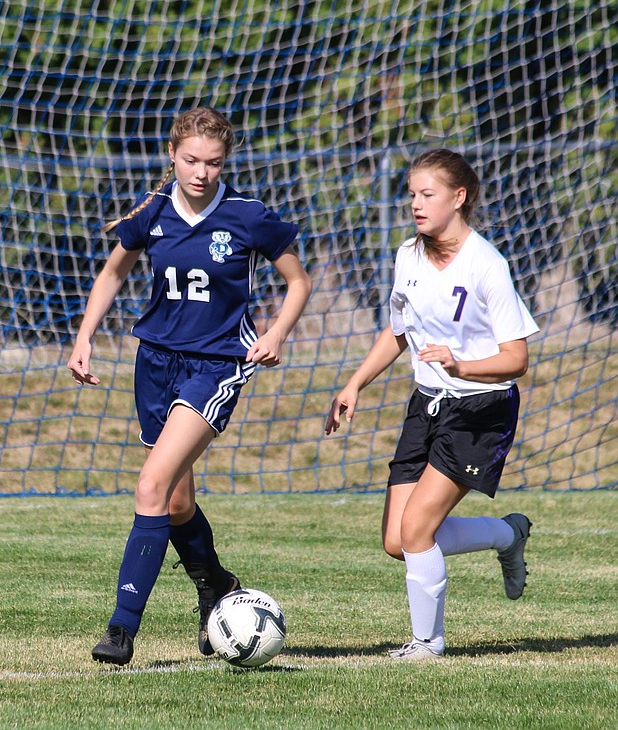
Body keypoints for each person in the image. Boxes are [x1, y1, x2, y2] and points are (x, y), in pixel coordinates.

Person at [68, 107, 312, 665]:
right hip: (155, 363)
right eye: (192, 160)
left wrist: (276, 333)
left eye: (214, 162)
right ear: (172, 154)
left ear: (226, 162)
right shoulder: (152, 212)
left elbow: (298, 282)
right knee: (176, 501)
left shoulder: (248, 216)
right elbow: (112, 273)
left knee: (151, 484)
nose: (201, 172)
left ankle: (121, 630)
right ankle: (216, 584)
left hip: (217, 364)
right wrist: (83, 338)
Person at [324, 148, 538, 661]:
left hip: (480, 411)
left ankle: (427, 644)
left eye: (428, 194)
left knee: (418, 529)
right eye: (412, 194)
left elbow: (517, 358)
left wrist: (462, 365)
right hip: (428, 405)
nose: (416, 204)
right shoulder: (408, 257)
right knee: (399, 541)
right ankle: (508, 535)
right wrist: (355, 384)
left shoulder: (487, 265)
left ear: (458, 197)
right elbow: (398, 332)